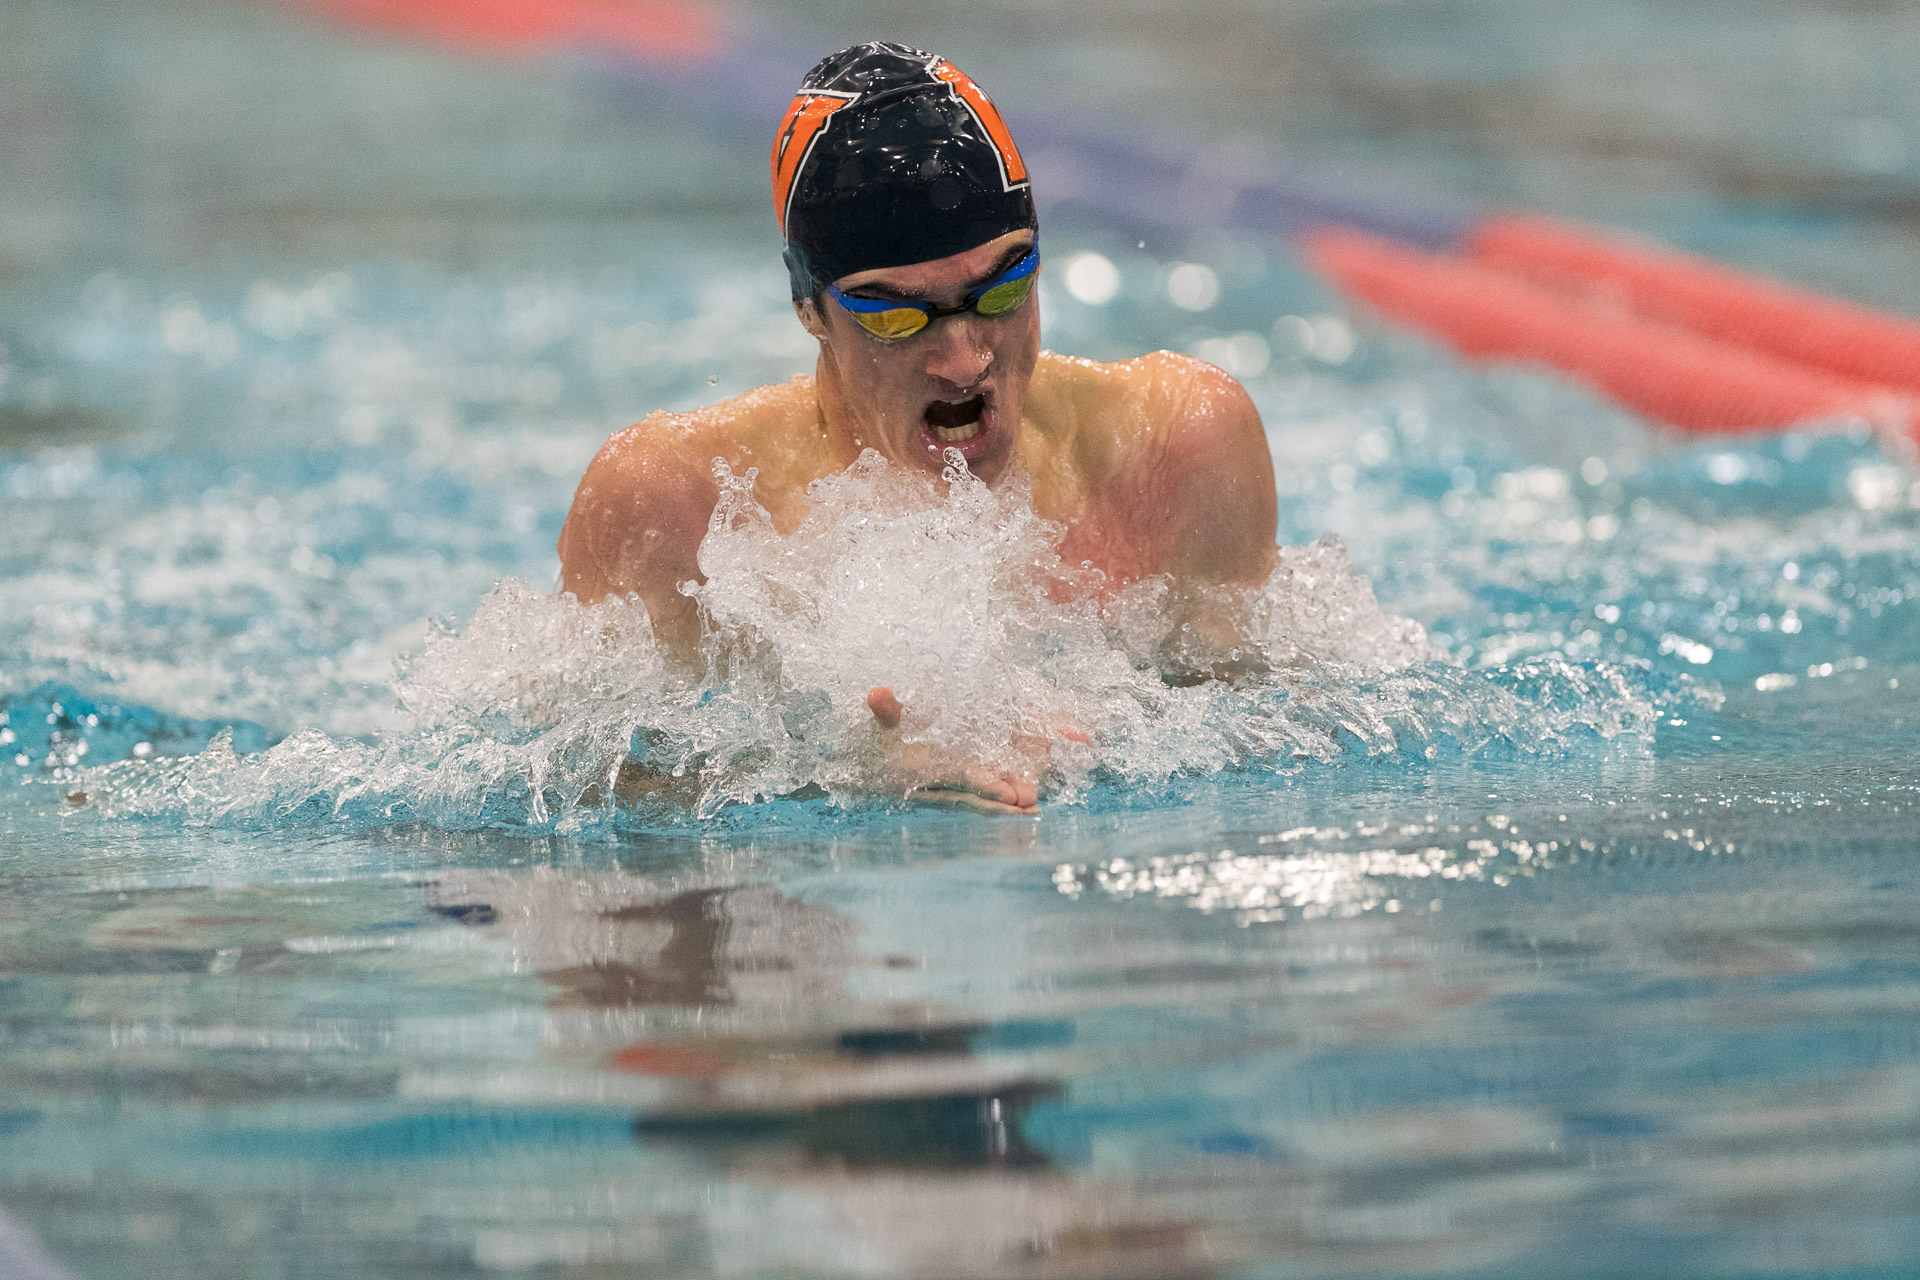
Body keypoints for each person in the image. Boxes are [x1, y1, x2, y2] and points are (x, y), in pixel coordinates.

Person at [559, 41, 1277, 813]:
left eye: (1002, 288)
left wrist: (1108, 734)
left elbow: (1278, 747)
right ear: (810, 309)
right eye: (896, 315)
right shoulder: (678, 506)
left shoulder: (1176, 449)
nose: (965, 360)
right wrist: (850, 774)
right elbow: (566, 802)